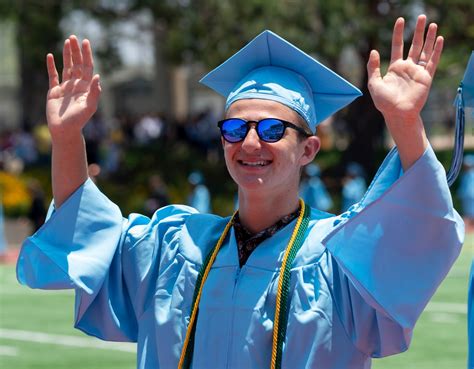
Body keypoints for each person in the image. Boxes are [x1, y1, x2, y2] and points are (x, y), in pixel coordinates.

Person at [16, 15, 464, 369]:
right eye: (234, 128)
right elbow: (86, 234)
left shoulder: (338, 261)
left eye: (272, 129)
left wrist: (405, 122)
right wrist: (68, 136)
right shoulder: (172, 246)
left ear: (308, 149)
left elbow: (419, 233)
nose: (251, 143)